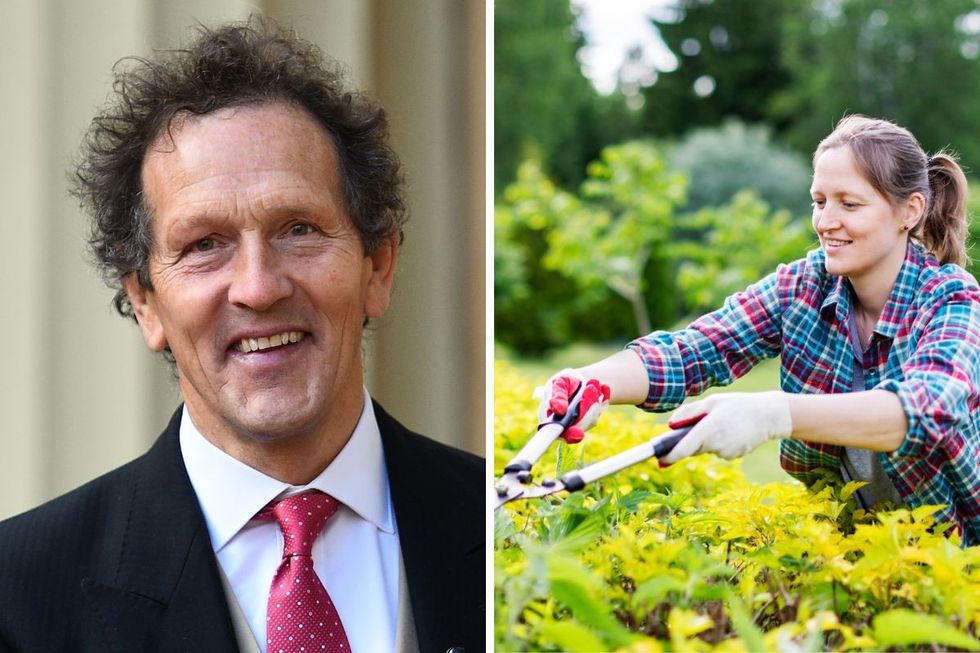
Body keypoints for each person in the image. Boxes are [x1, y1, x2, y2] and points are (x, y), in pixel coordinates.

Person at [0, 19, 483, 653]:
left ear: (378, 267)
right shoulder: (18, 595)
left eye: (299, 229)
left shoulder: (505, 516)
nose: (258, 287)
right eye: (204, 245)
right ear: (144, 301)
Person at [537, 115, 980, 546]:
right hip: (857, 555)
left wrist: (773, 414)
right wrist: (593, 380)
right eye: (819, 200)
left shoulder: (949, 297)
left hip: (960, 562)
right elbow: (695, 350)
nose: (826, 221)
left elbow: (928, 411)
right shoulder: (804, 287)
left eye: (849, 203)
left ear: (910, 211)